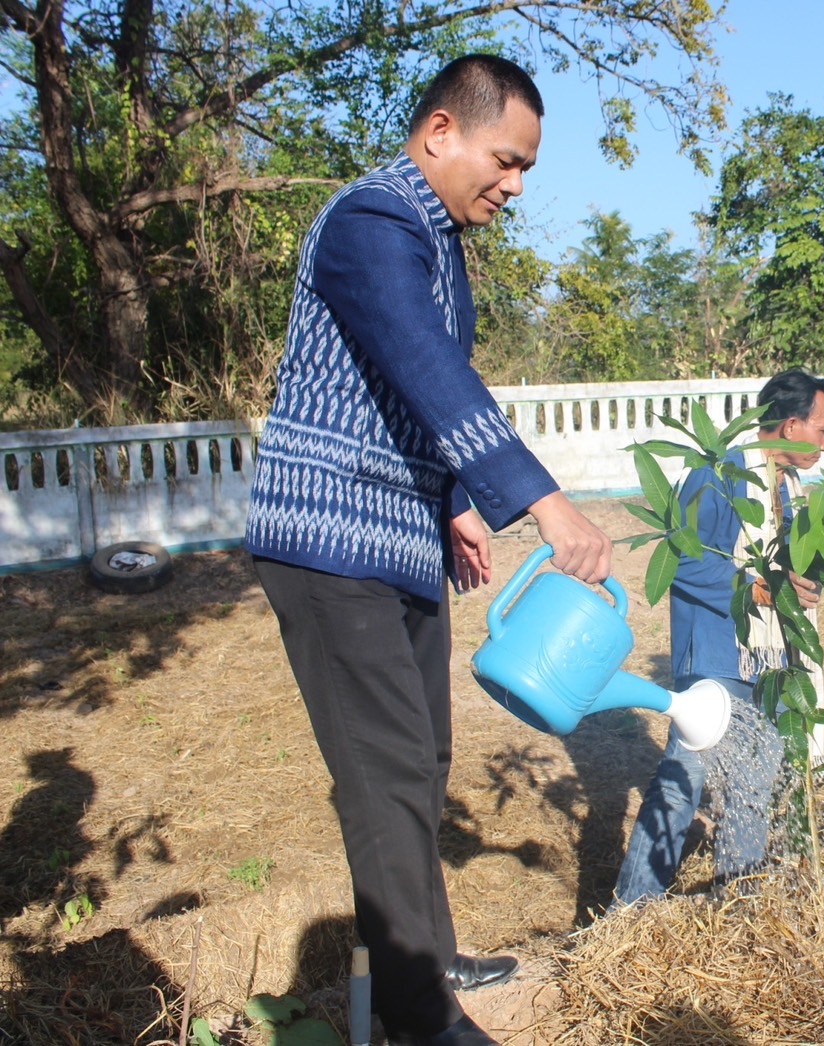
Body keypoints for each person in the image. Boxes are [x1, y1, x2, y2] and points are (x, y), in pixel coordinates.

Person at [246, 55, 613, 1046]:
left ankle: (428, 950)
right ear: (441, 130)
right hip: (329, 540)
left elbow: (410, 390)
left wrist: (454, 499)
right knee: (386, 767)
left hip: (395, 539)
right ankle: (417, 1016)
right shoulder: (372, 222)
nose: (515, 184)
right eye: (507, 159)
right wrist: (544, 503)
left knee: (423, 755)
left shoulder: (437, 242)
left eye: (526, 167)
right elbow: (422, 359)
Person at [613, 368, 824, 905]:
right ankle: (630, 913)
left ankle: (740, 898)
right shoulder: (721, 474)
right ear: (788, 425)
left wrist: (806, 583)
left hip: (770, 655)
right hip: (717, 650)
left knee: (754, 780)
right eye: (821, 430)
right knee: (685, 777)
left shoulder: (797, 489)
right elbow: (680, 559)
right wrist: (756, 588)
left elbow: (795, 569)